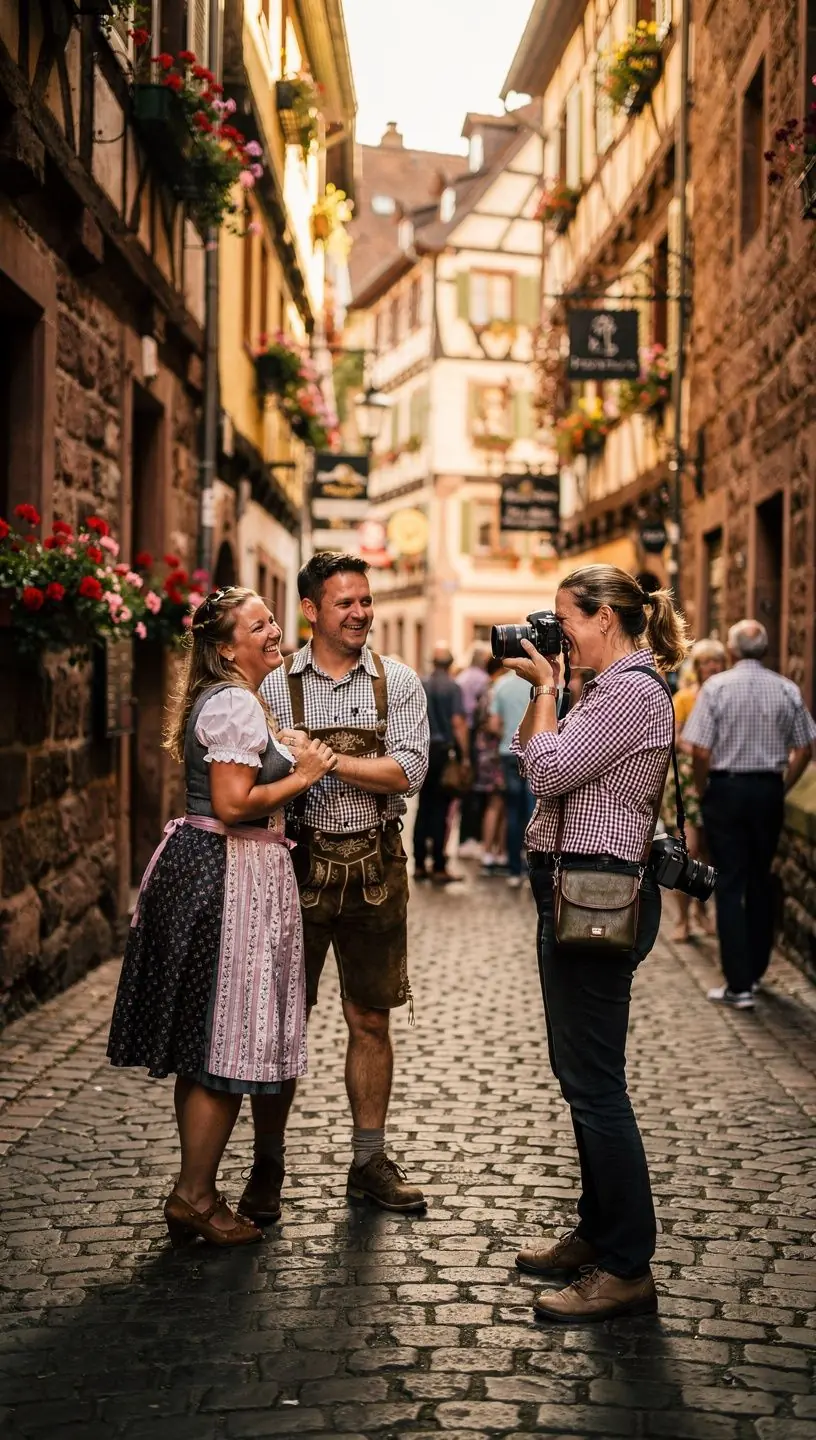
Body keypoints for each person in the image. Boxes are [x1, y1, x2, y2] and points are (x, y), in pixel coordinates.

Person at [107, 587, 336, 1247]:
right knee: (224, 1041)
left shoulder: (233, 699)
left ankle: (195, 1189)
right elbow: (234, 804)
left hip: (222, 869)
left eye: (270, 620)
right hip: (230, 875)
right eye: (257, 625)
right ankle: (196, 1196)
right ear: (227, 648)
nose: (273, 630)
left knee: (208, 1041)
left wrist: (283, 749)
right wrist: (305, 773)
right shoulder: (233, 702)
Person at [507, 563, 688, 1323]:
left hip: (597, 904)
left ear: (604, 618)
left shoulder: (630, 693)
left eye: (566, 620)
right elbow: (531, 756)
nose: (557, 635)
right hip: (575, 898)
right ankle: (597, 1229)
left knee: (596, 1085)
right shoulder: (605, 689)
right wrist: (544, 694)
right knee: (578, 1074)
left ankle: (627, 1265)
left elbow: (546, 771)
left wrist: (548, 689)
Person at [253, 552, 430, 1218]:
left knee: (371, 1018)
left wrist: (323, 763)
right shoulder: (273, 686)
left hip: (376, 870)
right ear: (310, 610)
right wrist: (332, 767)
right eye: (345, 603)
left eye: (365, 601)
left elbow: (407, 771)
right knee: (281, 1025)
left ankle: (368, 1162)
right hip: (292, 868)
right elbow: (251, 777)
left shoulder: (397, 681)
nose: (360, 614)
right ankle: (267, 1165)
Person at [683, 619, 816, 1009]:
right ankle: (756, 971)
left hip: (726, 789)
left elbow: (700, 750)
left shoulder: (716, 688)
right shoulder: (786, 688)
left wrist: (704, 788)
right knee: (760, 879)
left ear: (732, 650)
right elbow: (805, 748)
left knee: (729, 883)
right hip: (767, 790)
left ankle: (738, 984)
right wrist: (783, 786)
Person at [661, 638, 726, 942]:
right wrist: (699, 747)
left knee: (709, 853)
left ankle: (702, 912)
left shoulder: (726, 696)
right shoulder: (685, 698)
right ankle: (683, 918)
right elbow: (673, 737)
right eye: (707, 662)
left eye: (717, 661)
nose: (712, 667)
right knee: (687, 851)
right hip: (687, 782)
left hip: (716, 779)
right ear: (697, 667)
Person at [414, 643, 469, 884]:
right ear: (450, 664)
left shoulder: (422, 683)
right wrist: (465, 756)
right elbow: (458, 722)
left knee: (423, 807)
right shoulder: (453, 687)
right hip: (443, 752)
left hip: (423, 750)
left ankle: (418, 863)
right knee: (440, 809)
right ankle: (438, 864)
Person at [488, 666, 536, 888]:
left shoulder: (501, 685)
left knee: (513, 812)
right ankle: (532, 869)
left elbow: (493, 724)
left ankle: (514, 869)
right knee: (533, 812)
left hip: (508, 753)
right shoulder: (540, 683)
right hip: (535, 752)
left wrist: (509, 733)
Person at [455, 644, 490, 856]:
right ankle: (472, 837)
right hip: (473, 735)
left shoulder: (462, 677)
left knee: (464, 790)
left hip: (460, 734)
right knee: (475, 790)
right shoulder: (482, 680)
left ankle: (463, 838)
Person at [473, 657, 507, 868]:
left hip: (487, 753)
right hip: (495, 753)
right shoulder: (496, 689)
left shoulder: (487, 689)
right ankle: (492, 850)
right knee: (497, 803)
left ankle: (494, 850)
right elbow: (493, 725)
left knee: (496, 803)